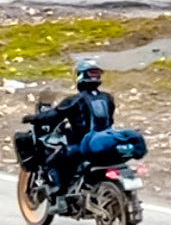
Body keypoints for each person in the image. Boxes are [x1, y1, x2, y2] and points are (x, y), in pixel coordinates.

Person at [44, 59, 117, 209]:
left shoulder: (75, 100)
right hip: (107, 144)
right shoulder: (108, 98)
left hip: (85, 147)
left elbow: (53, 116)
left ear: (80, 76)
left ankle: (60, 196)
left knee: (55, 159)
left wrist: (31, 118)